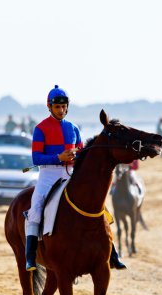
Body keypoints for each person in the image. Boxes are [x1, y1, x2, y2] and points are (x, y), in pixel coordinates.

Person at [25, 85, 126, 271]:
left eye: (64, 107)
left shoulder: (73, 128)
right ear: (49, 107)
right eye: (57, 107)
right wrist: (59, 158)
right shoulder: (40, 129)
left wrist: (76, 155)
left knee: (98, 205)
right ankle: (30, 257)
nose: (61, 110)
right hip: (48, 175)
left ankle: (113, 253)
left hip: (70, 173)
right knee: (36, 208)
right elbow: (36, 158)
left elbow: (81, 151)